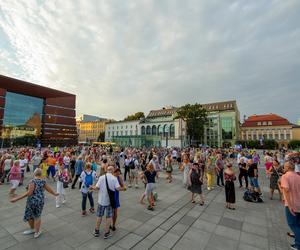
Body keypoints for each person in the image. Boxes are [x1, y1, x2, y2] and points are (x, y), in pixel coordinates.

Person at [10, 168, 59, 238]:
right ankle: (36, 231)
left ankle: (35, 230)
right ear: (41, 174)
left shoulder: (32, 181)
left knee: (30, 215)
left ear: (34, 173)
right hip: (40, 201)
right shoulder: (43, 181)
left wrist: (17, 198)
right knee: (37, 216)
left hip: (32, 201)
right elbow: (49, 189)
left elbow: (29, 193)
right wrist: (55, 193)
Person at [92, 166, 126, 239]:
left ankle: (96, 231)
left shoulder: (101, 177)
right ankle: (106, 233)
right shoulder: (114, 179)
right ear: (113, 171)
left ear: (107, 170)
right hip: (110, 201)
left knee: (99, 216)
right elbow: (118, 188)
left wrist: (92, 187)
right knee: (109, 217)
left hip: (101, 200)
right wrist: (124, 188)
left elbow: (97, 188)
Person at [281, 161, 300, 250]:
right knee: (298, 224)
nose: (283, 168)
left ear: (288, 168)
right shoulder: (298, 176)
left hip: (292, 204)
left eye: (284, 167)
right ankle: (297, 241)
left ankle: (298, 244)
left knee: (292, 224)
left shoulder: (285, 176)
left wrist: (289, 205)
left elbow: (286, 190)